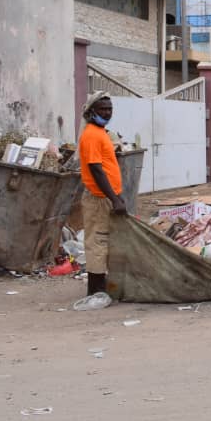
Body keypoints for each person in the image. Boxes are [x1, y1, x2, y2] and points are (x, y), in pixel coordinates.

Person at [78, 91, 126, 297]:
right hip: (98, 199)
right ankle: (95, 291)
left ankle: (100, 287)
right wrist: (114, 198)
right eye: (102, 109)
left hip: (106, 197)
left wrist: (117, 195)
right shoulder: (91, 135)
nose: (107, 113)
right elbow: (96, 169)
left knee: (103, 241)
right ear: (91, 112)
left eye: (109, 109)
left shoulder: (101, 133)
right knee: (97, 242)